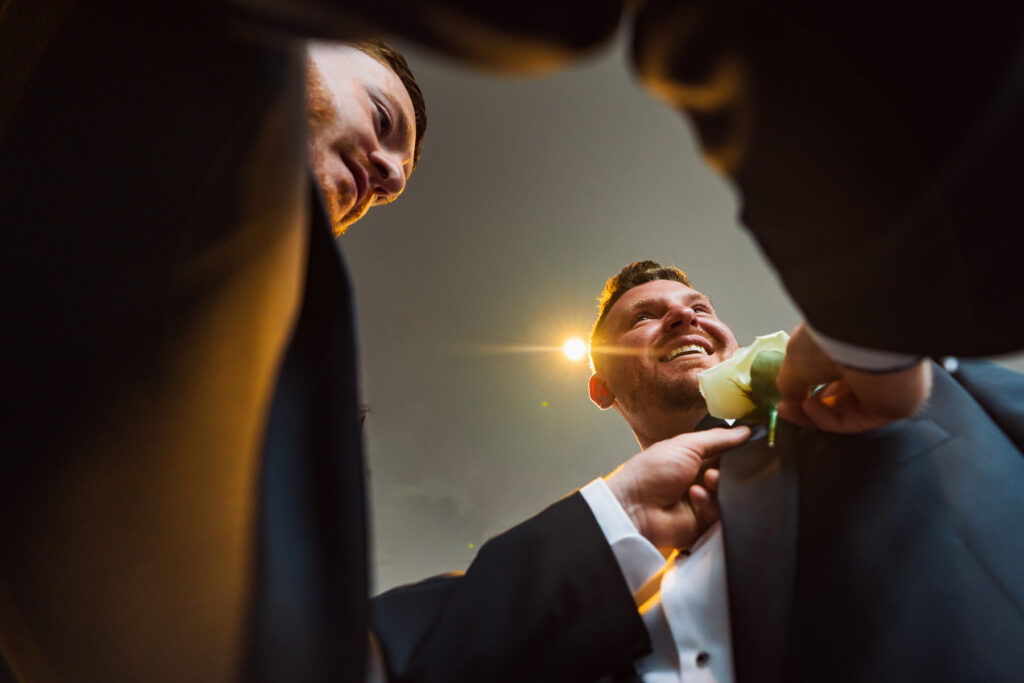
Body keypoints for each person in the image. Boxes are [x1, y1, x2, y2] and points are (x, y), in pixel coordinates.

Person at [577, 260, 1024, 682]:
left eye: (699, 308)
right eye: (642, 318)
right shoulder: (593, 594)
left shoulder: (876, 387)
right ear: (601, 388)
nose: (684, 317)